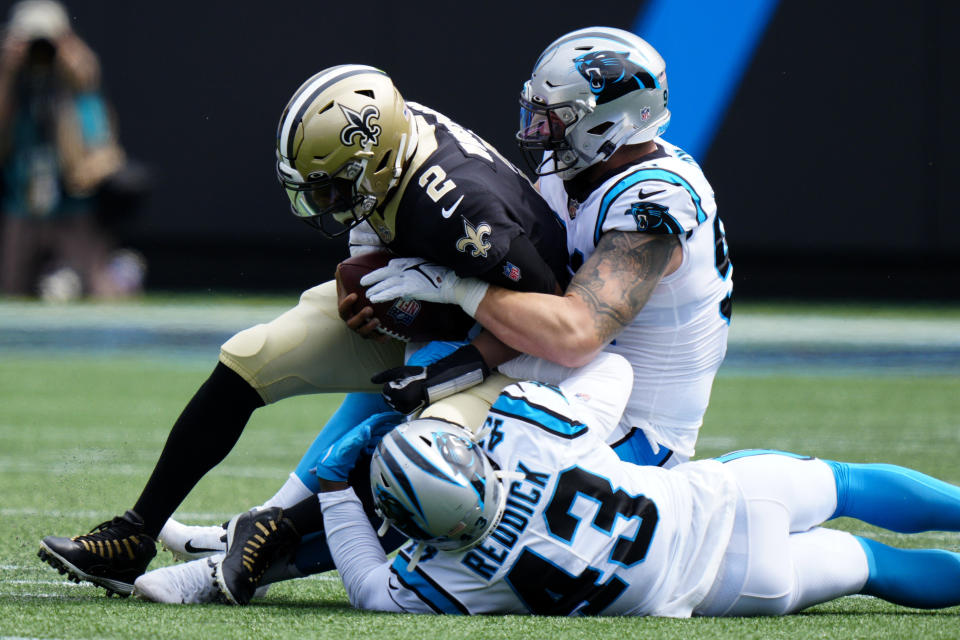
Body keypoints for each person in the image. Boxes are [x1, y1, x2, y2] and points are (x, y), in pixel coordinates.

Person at [37, 64, 571, 596]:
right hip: (432, 301)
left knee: (418, 455)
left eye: (333, 189)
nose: (324, 203)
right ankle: (135, 534)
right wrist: (360, 283)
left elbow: (545, 315)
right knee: (254, 354)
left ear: (376, 158)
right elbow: (374, 222)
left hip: (509, 351)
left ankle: (271, 533)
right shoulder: (392, 142)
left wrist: (446, 369)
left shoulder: (463, 208)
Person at [136, 352, 960, 615]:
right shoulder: (531, 439)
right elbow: (613, 364)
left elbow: (367, 584)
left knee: (872, 570)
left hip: (733, 586)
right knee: (848, 485)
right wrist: (461, 389)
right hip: (727, 502)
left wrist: (342, 489)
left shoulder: (454, 574)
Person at [364, 26, 732, 469]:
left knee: (422, 469)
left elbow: (575, 335)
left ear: (605, 122)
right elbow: (532, 294)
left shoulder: (653, 203)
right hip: (556, 379)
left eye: (554, 117)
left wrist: (456, 287)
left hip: (635, 433)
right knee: (382, 419)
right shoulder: (576, 170)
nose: (538, 129)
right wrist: (444, 350)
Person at [0, 0, 145, 300]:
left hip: (71, 211)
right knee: (11, 295)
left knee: (97, 294)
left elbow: (102, 153)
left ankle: (119, 274)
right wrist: (6, 75)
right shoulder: (11, 88)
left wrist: (79, 75)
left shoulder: (76, 92)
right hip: (20, 210)